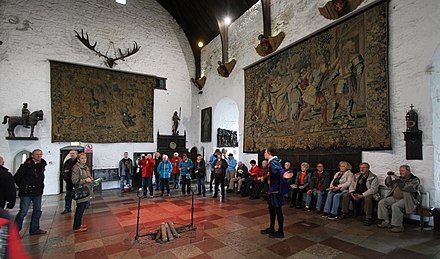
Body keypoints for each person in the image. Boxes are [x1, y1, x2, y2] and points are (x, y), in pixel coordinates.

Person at [377, 165, 420, 233]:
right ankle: (386, 222)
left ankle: (398, 226)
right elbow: (389, 184)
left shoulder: (414, 180)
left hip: (407, 200)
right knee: (382, 202)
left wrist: (398, 179)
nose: (400, 172)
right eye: (400, 171)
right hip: (395, 198)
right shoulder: (400, 179)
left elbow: (406, 187)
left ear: (408, 171)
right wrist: (389, 176)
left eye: (402, 171)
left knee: (396, 206)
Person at [14, 149, 47, 235]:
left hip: (37, 191)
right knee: (23, 211)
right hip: (26, 192)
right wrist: (24, 186)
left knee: (37, 210)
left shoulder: (42, 165)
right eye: (37, 154)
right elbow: (17, 178)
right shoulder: (25, 166)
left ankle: (34, 229)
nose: (39, 156)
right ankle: (15, 231)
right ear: (32, 156)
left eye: (40, 154)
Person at [260, 147, 291, 238]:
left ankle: (280, 232)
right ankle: (271, 228)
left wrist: (284, 174)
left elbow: (279, 170)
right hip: (272, 190)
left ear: (269, 153)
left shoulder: (274, 162)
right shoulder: (272, 162)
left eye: (265, 152)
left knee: (278, 211)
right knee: (272, 210)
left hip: (275, 191)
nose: (264, 154)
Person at [71, 153, 93, 232]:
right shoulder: (76, 168)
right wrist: (85, 180)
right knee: (80, 209)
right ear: (78, 160)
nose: (84, 160)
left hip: (86, 190)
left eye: (85, 158)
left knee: (82, 208)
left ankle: (79, 224)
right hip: (81, 191)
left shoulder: (85, 167)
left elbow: (87, 176)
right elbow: (74, 180)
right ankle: (76, 226)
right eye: (82, 158)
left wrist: (90, 179)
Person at [61, 150, 78, 214]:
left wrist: (70, 171)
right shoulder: (67, 161)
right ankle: (67, 208)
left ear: (76, 154)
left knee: (79, 194)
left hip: (76, 180)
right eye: (71, 153)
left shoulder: (78, 162)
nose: (72, 154)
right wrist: (65, 175)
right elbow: (64, 169)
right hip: (69, 181)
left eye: (73, 153)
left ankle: (81, 207)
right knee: (68, 195)